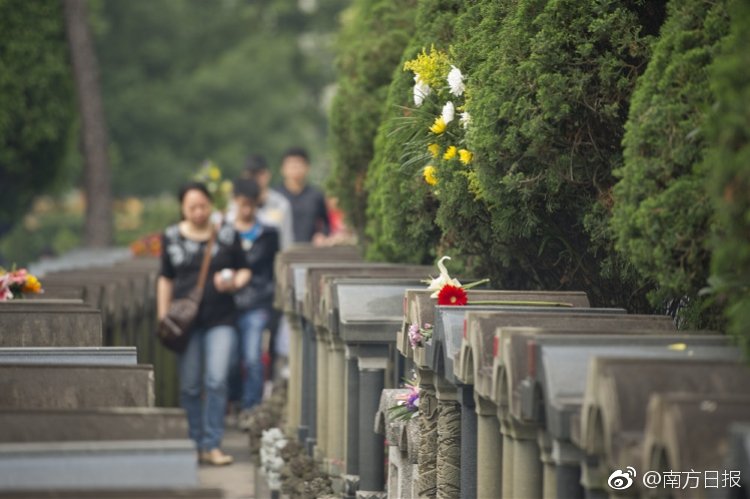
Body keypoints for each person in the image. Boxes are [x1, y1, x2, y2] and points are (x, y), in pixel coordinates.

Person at [157, 182, 251, 466]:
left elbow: (245, 268)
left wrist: (234, 282)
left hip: (221, 317)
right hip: (185, 322)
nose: (198, 212)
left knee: (217, 379)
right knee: (189, 385)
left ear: (211, 205)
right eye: (191, 207)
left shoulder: (226, 233)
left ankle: (212, 443)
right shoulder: (171, 237)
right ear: (183, 209)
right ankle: (194, 442)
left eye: (203, 206)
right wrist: (163, 315)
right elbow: (165, 277)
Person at [230, 178, 280, 429]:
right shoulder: (224, 232)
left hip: (258, 301)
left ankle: (251, 408)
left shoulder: (269, 234)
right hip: (226, 304)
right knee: (229, 359)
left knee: (252, 357)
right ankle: (235, 402)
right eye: (242, 205)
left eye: (250, 205)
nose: (246, 210)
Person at [276, 147, 330, 244]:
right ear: (282, 169)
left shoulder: (316, 196)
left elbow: (326, 223)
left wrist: (322, 235)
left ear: (307, 167)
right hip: (280, 251)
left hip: (309, 252)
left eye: (299, 164)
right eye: (291, 165)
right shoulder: (275, 196)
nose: (295, 168)